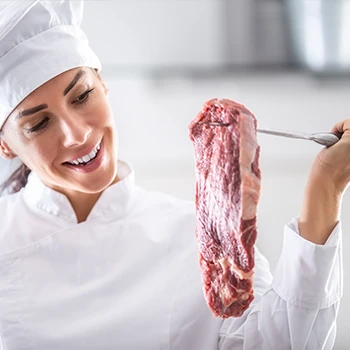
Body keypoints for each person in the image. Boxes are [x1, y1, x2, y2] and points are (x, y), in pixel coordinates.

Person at [0, 1, 345, 349]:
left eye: (82, 95)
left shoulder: (199, 241)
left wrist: (326, 186)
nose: (77, 135)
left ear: (102, 84)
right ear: (5, 145)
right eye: (39, 124)